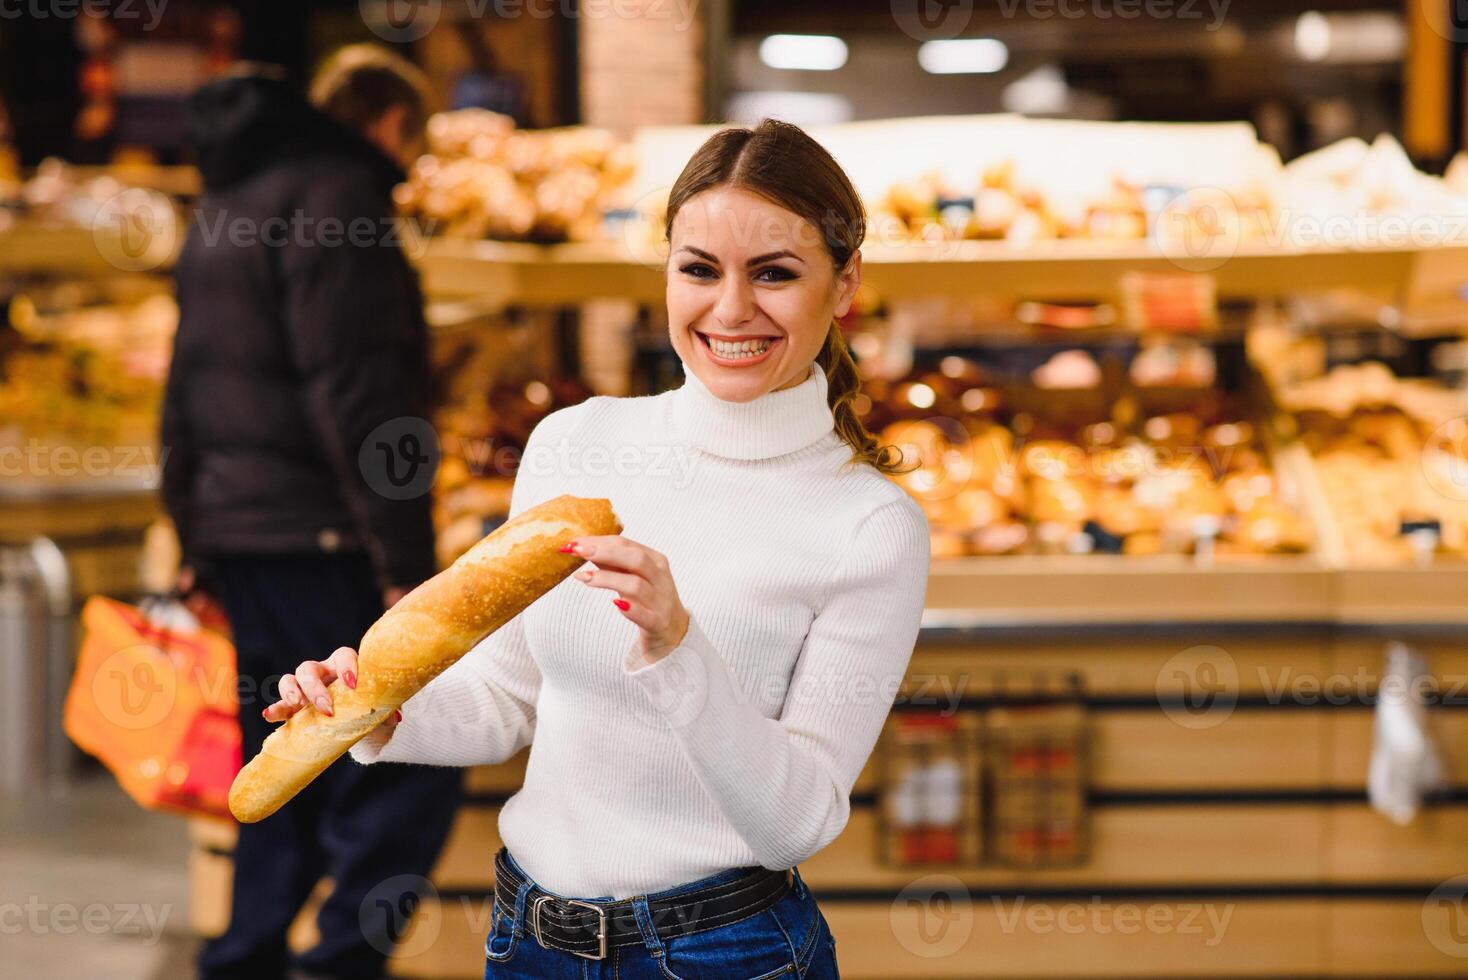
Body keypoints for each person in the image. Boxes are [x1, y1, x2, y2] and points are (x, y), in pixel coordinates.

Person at [266, 118, 931, 978]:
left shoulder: (868, 524)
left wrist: (676, 648)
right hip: (529, 942)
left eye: (774, 273)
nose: (730, 309)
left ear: (845, 286)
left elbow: (798, 821)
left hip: (726, 955)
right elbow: (508, 696)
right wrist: (380, 710)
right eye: (699, 269)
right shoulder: (576, 446)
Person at [161, 45, 463, 980]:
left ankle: (246, 955)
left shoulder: (229, 196)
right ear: (385, 123)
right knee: (411, 748)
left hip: (243, 531)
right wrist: (407, 558)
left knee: (283, 757)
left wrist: (193, 531)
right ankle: (340, 963)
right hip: (323, 532)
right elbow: (363, 395)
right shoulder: (340, 200)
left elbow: (182, 388)